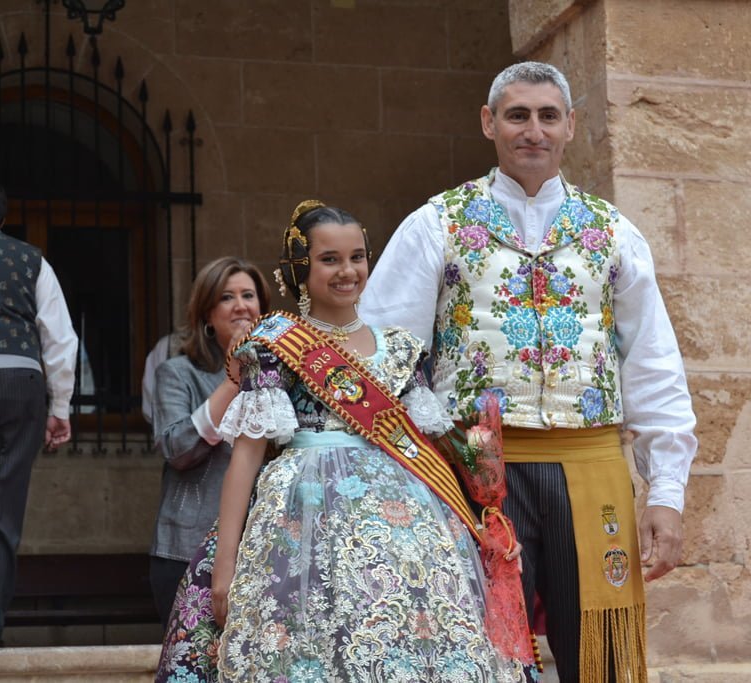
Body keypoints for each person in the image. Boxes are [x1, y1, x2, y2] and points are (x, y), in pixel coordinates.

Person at [358, 61, 698, 682]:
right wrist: (404, 475)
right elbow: (384, 356)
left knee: (603, 655)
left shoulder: (614, 232)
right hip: (477, 473)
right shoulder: (437, 222)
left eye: (547, 116)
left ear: (571, 126)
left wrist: (667, 494)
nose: (532, 131)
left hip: (593, 466)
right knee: (486, 650)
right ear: (489, 123)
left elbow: (653, 363)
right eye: (517, 115)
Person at [156, 201, 526, 682]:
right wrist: (224, 568)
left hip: (410, 533)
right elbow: (244, 459)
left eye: (357, 256)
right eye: (329, 259)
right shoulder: (274, 344)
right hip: (301, 523)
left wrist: (484, 525)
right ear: (299, 267)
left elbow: (429, 452)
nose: (347, 270)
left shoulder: (400, 347)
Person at [0, 176, 78, 648]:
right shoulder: (31, 258)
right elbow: (60, 337)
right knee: (2, 510)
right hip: (19, 380)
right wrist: (60, 407)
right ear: (2, 218)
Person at [148, 257, 270, 628]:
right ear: (206, 315)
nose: (240, 306)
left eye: (248, 295)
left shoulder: (281, 375)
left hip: (265, 549)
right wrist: (231, 383)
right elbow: (178, 449)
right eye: (226, 297)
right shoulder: (178, 373)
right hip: (188, 548)